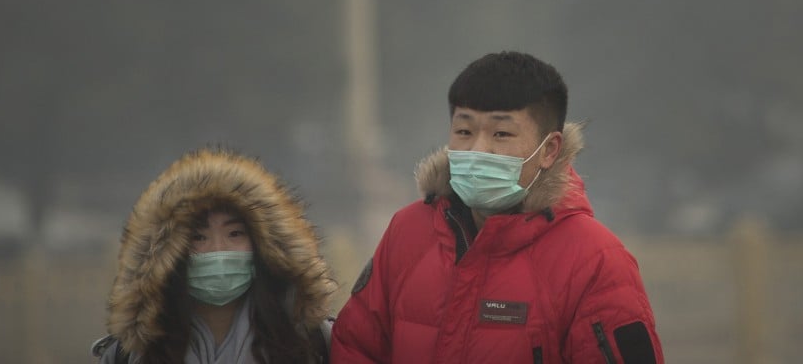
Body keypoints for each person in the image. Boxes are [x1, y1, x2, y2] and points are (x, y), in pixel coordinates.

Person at [331, 51, 664, 363]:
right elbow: (354, 348)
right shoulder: (408, 232)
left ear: (549, 150)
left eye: (501, 133)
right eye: (464, 130)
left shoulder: (594, 261)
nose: (478, 149)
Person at [90, 147, 337, 364]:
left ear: (263, 246)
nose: (218, 249)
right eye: (199, 237)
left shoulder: (314, 343)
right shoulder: (131, 353)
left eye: (235, 233)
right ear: (169, 253)